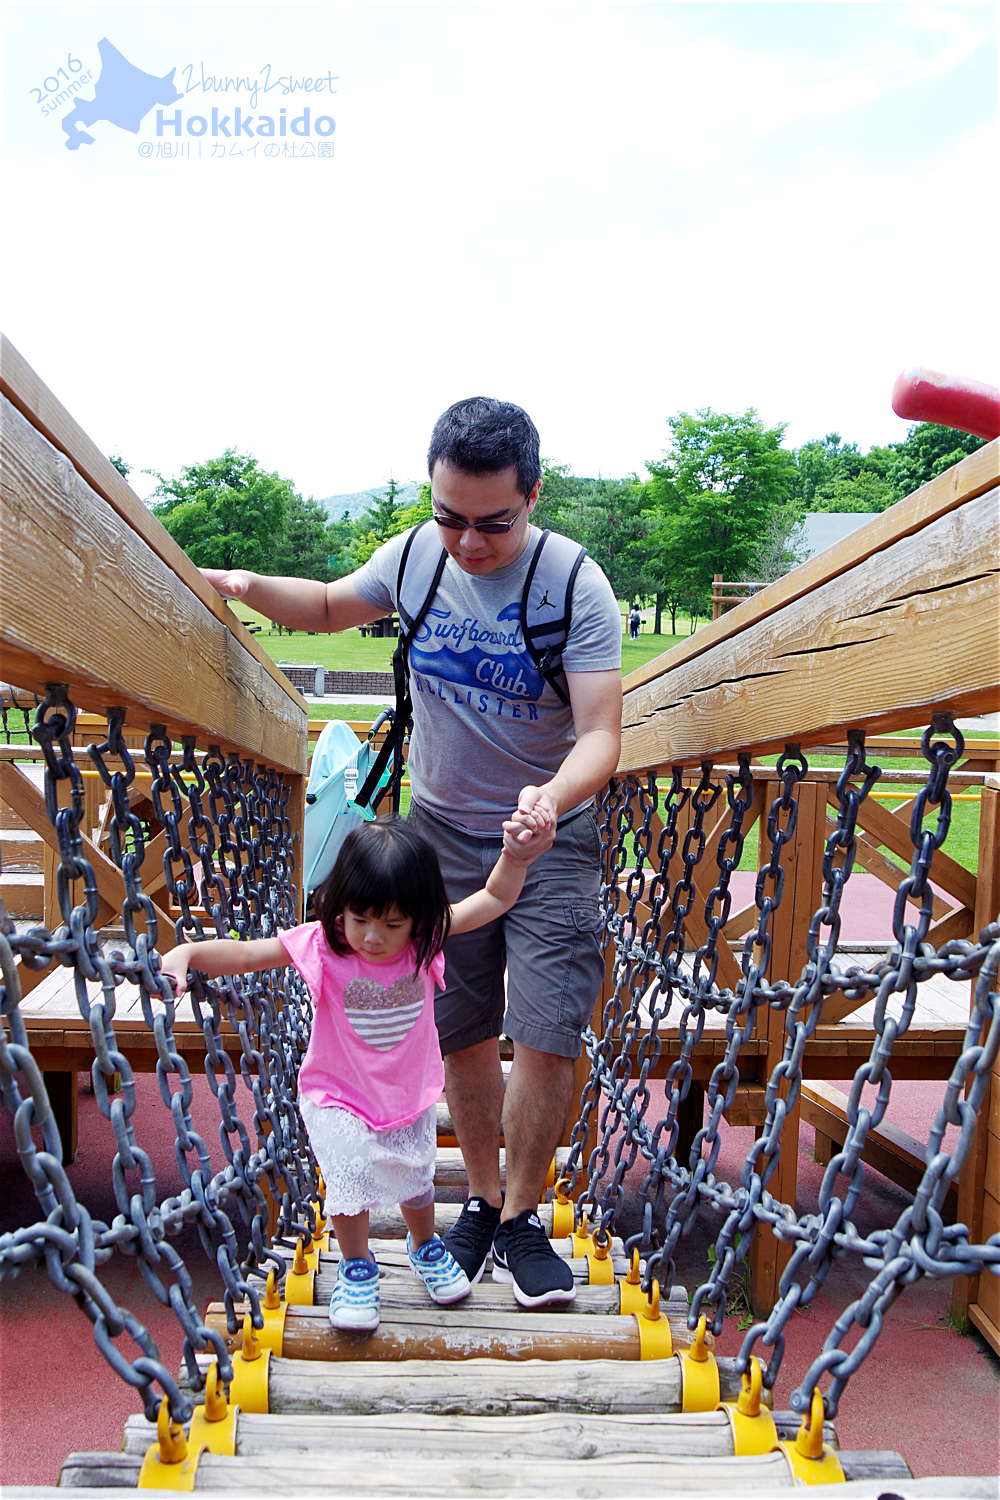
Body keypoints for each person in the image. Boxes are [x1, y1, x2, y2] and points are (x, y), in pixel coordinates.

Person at [202, 397, 623, 1307]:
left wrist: (546, 803)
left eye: (493, 523)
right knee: (461, 1023)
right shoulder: (416, 556)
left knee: (546, 1027)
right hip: (436, 833)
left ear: (533, 495)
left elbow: (601, 736)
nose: (468, 543)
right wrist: (238, 584)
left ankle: (521, 1216)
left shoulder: (573, 585)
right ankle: (478, 1202)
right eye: (450, 518)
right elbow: (320, 606)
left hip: (546, 833)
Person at [159, 813, 546, 1331]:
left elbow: (494, 899)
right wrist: (189, 952)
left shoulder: (425, 939)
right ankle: (357, 1265)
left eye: (391, 925)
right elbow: (251, 955)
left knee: (416, 1177)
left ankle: (425, 1245)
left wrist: (515, 857)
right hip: (336, 1091)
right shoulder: (324, 943)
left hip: (404, 1094)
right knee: (348, 1177)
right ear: (340, 905)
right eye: (360, 919)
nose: (372, 937)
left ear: (416, 918)